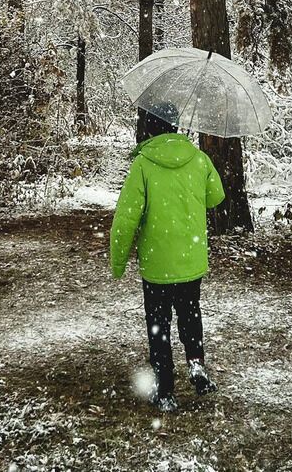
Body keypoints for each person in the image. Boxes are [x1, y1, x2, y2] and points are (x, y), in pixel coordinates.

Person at [109, 108, 225, 411]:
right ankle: (197, 366)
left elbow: (125, 220)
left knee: (158, 323)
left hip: (157, 264)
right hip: (190, 259)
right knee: (190, 314)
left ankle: (165, 389)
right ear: (175, 127)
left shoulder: (143, 165)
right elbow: (217, 196)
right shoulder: (199, 159)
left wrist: (118, 261)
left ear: (149, 129)